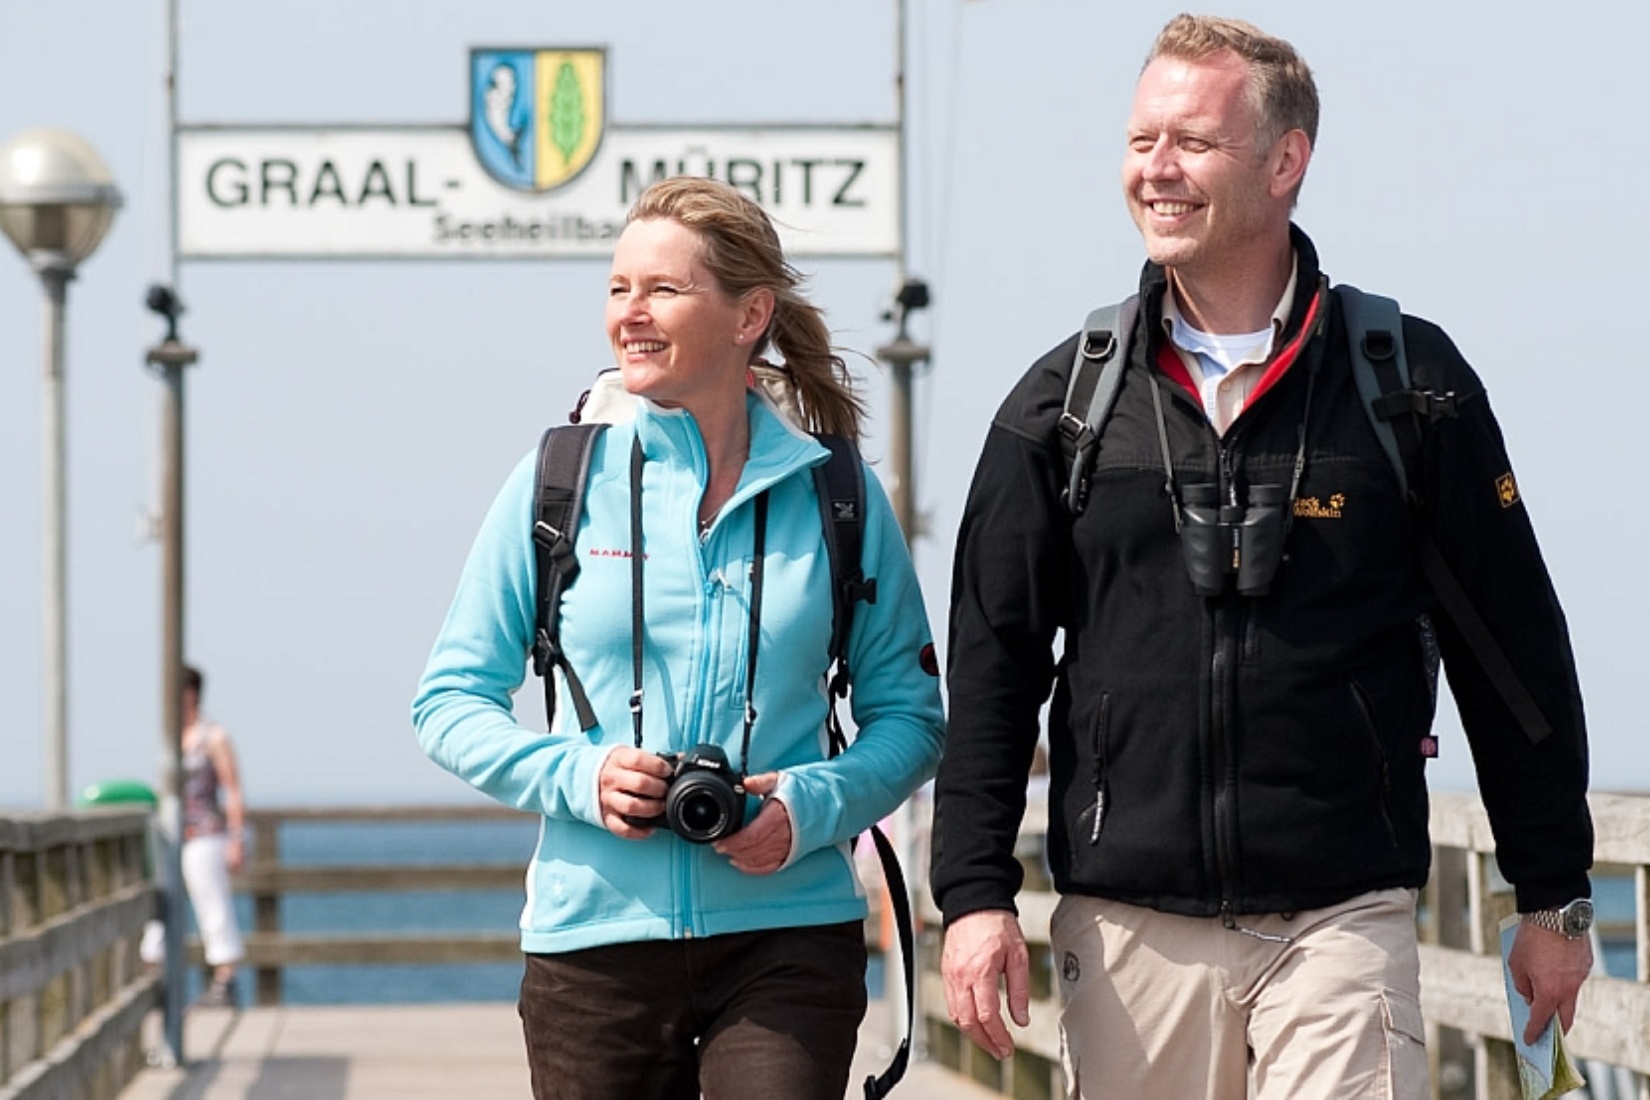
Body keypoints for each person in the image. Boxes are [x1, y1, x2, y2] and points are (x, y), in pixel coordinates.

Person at [930, 15, 1593, 1099]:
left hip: (1341, 916)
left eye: (1190, 141)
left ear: (1286, 161)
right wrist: (972, 894)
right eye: (1141, 140)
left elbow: (1512, 652)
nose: (1155, 168)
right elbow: (993, 667)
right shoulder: (1065, 407)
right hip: (1130, 925)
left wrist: (1555, 893)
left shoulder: (1409, 388)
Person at [413, 176, 945, 1100]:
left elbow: (911, 717)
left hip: (788, 939)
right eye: (619, 289)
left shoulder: (840, 495)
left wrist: (810, 807)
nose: (631, 315)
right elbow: (448, 701)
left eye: (663, 289)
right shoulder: (556, 481)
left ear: (751, 316)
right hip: (592, 950)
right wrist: (579, 776)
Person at [178, 663, 247, 1008]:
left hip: (206, 835)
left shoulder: (213, 736)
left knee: (214, 906)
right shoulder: (173, 736)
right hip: (177, 838)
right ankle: (157, 978)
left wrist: (237, 839)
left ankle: (225, 981)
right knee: (163, 911)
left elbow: (233, 789)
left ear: (190, 692)